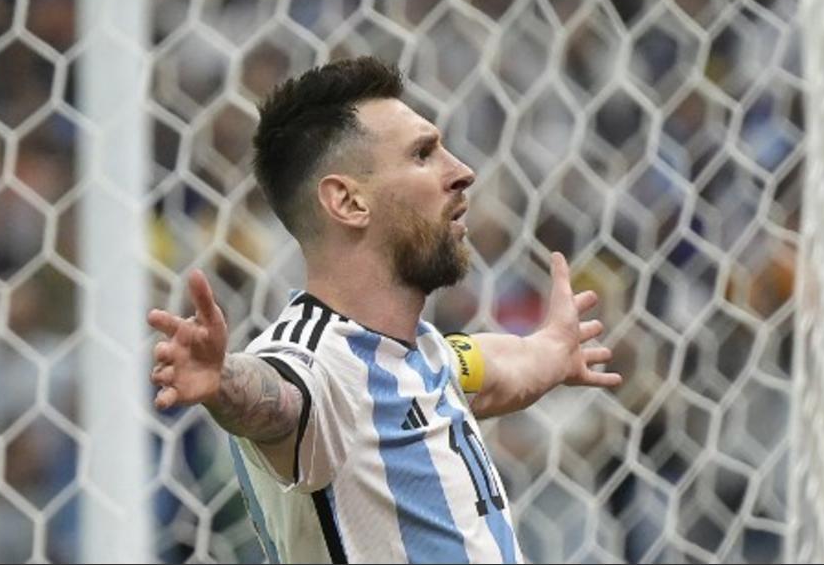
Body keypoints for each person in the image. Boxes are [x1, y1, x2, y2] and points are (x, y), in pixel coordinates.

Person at [147, 56, 622, 564]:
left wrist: (549, 349)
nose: (462, 172)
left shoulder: (415, 356)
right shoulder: (320, 362)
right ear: (348, 202)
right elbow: (281, 400)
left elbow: (496, 369)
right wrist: (224, 381)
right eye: (423, 154)